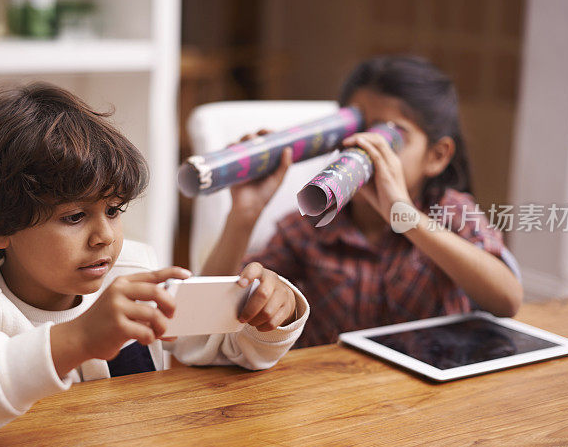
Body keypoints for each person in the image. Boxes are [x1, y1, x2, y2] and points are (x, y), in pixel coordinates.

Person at [0, 83, 308, 447]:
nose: (105, 236)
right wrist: (77, 339)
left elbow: (217, 347)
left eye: (114, 209)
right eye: (74, 217)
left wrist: (271, 311)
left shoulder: (129, 269)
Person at [202, 56, 522, 348]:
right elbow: (208, 316)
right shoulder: (310, 229)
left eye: (391, 138)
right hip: (340, 395)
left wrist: (406, 217)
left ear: (436, 157)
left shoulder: (451, 212)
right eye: (358, 130)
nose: (366, 148)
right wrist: (244, 214)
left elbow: (507, 300)